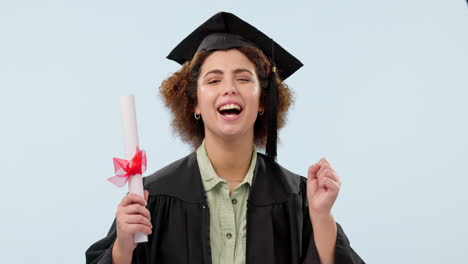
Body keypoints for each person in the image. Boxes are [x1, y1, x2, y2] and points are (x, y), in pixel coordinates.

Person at [86, 12, 365, 264]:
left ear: (263, 102)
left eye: (243, 79)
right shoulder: (153, 197)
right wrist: (123, 248)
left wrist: (321, 217)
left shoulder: (299, 198)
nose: (229, 88)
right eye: (213, 80)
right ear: (193, 103)